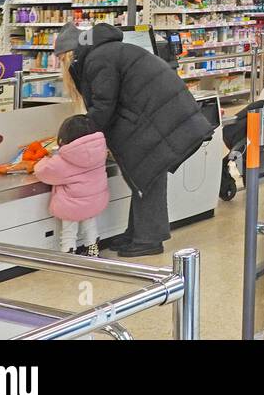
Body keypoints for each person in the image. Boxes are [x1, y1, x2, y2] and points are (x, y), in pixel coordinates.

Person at [55, 22, 214, 256]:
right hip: (158, 114)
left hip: (157, 118)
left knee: (147, 175)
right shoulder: (105, 52)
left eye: (61, 59)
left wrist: (79, 135)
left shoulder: (98, 59)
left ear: (69, 54)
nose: (61, 65)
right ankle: (137, 233)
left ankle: (149, 239)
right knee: (142, 177)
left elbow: (104, 105)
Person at [33, 114, 109, 256]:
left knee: (69, 232)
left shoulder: (63, 160)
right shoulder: (100, 152)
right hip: (94, 202)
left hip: (71, 206)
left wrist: (45, 159)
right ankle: (93, 252)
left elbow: (42, 171)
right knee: (90, 227)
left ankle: (69, 255)